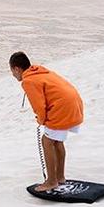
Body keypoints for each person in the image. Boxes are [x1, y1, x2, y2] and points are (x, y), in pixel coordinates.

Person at [9, 51, 84, 192]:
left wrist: (41, 120)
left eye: (12, 71)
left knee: (47, 141)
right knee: (56, 140)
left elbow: (39, 105)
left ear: (17, 69)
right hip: (74, 104)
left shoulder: (29, 81)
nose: (13, 75)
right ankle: (60, 177)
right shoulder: (40, 72)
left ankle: (51, 181)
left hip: (61, 108)